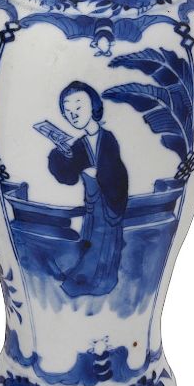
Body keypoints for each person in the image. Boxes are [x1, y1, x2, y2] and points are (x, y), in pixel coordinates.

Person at [48, 81, 128, 297]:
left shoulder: (108, 139)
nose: (73, 114)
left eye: (78, 106)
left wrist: (98, 175)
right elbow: (68, 176)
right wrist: (59, 154)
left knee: (104, 241)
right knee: (91, 240)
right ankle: (85, 277)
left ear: (93, 106)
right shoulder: (79, 144)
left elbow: (118, 173)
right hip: (92, 204)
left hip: (109, 202)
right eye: (67, 110)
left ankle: (102, 281)